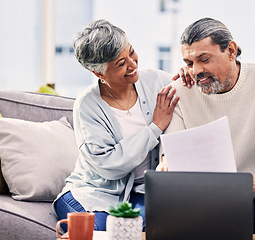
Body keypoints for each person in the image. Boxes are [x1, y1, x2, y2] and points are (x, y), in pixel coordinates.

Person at [158, 17, 255, 234]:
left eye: (204, 59)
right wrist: (167, 163)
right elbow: (170, 160)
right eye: (189, 63)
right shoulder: (180, 91)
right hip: (202, 209)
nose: (196, 71)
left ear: (231, 51)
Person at [53, 19, 179, 231]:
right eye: (121, 64)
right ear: (99, 73)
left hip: (143, 192)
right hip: (94, 192)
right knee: (100, 232)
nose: (132, 64)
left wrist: (189, 78)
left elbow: (188, 103)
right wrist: (154, 128)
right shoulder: (87, 106)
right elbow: (110, 165)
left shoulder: (156, 81)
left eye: (131, 52)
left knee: (163, 221)